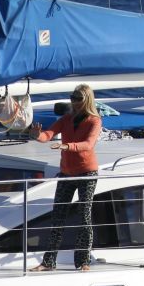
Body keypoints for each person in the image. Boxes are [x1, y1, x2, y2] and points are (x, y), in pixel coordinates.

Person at [28, 83, 102, 272]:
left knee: (84, 215)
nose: (74, 102)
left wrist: (68, 146)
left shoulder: (94, 121)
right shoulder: (67, 118)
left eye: (78, 98)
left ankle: (83, 261)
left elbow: (88, 144)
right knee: (58, 215)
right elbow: (49, 134)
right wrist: (38, 135)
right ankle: (48, 261)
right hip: (67, 172)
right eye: (72, 98)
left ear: (87, 100)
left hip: (87, 172)